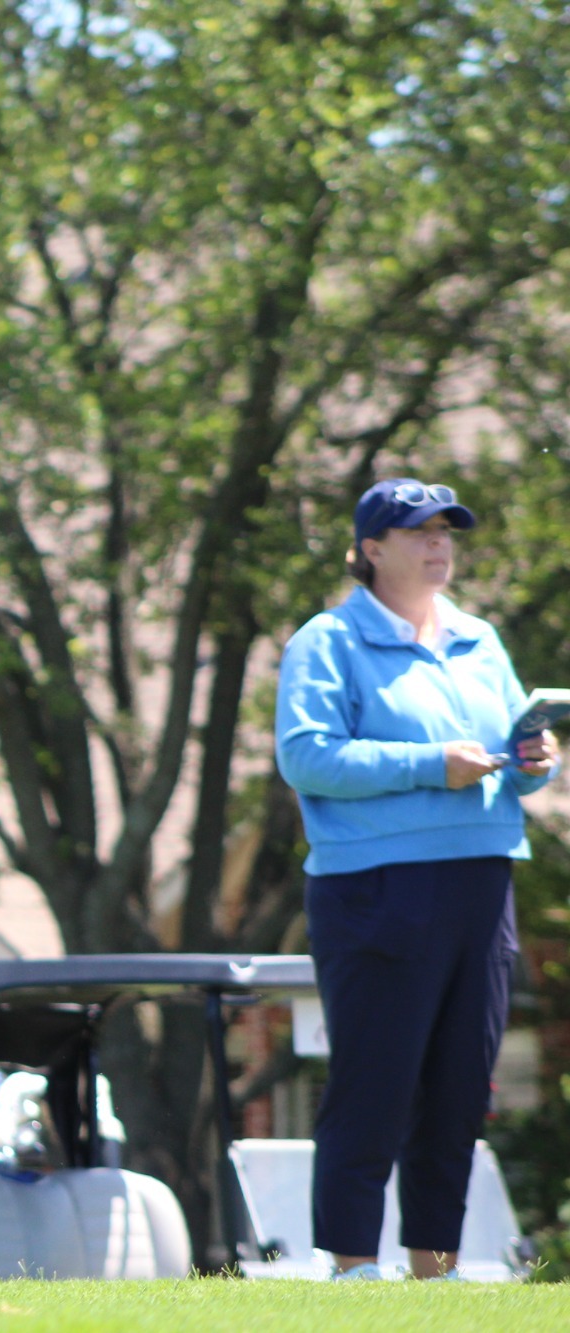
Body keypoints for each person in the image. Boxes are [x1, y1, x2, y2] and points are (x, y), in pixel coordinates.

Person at [275, 478, 560, 1281]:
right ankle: (354, 1266)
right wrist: (430, 764)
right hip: (376, 888)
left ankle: (434, 1267)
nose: (439, 544)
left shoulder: (479, 637)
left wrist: (537, 762)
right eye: (417, 531)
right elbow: (306, 756)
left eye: (446, 531)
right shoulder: (327, 642)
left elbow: (517, 757)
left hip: (482, 882)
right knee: (376, 1078)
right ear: (370, 549)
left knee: (461, 1087)